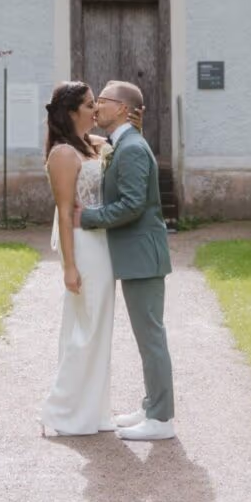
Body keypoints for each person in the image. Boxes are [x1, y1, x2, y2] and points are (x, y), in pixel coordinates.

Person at [77, 80, 175, 441]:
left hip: (142, 256)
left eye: (101, 101)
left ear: (121, 108)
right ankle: (151, 406)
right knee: (146, 336)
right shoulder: (124, 143)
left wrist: (86, 217)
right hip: (135, 256)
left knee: (151, 337)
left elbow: (133, 205)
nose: (96, 107)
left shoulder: (132, 147)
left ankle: (162, 420)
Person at [40, 81, 116, 436]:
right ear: (71, 112)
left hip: (102, 243)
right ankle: (61, 409)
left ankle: (93, 410)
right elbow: (65, 211)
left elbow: (109, 145)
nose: (95, 110)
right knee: (86, 329)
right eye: (88, 105)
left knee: (98, 328)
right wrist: (69, 266)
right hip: (84, 247)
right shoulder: (62, 155)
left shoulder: (91, 146)